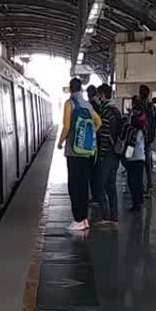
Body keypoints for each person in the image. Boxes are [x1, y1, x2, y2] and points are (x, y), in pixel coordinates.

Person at [58, 78, 102, 231]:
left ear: (71, 89)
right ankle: (84, 219)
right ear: (81, 89)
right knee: (83, 185)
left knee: (74, 186)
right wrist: (90, 136)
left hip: (74, 152)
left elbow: (66, 126)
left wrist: (60, 142)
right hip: (87, 152)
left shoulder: (69, 104)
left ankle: (78, 219)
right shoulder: (88, 105)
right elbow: (99, 122)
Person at [95, 84, 124, 225]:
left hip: (107, 155)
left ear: (103, 95)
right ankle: (114, 217)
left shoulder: (106, 112)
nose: (98, 98)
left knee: (99, 185)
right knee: (111, 185)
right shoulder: (116, 111)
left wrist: (100, 155)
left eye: (99, 95)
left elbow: (105, 136)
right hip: (117, 153)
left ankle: (106, 216)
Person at [122, 96, 147, 212]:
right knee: (137, 181)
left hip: (134, 159)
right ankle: (139, 202)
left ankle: (136, 204)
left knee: (133, 182)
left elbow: (131, 144)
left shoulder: (135, 130)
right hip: (140, 158)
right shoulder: (142, 128)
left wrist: (126, 157)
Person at [138, 85, 156, 197]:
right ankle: (150, 185)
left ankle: (141, 187)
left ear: (140, 94)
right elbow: (155, 123)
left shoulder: (140, 106)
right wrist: (151, 137)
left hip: (140, 139)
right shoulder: (152, 107)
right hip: (149, 138)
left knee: (139, 162)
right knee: (148, 162)